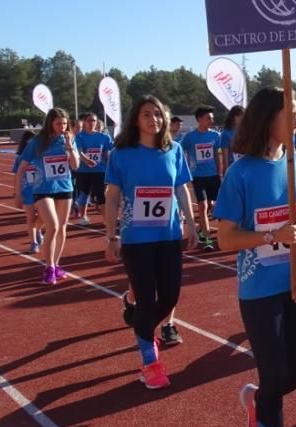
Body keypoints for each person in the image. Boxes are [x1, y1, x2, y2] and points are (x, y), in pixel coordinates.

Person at [214, 86, 296, 427]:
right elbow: (225, 238)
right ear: (268, 119)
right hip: (259, 290)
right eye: (290, 113)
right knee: (275, 374)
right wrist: (269, 235)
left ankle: (257, 401)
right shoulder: (241, 173)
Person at [103, 95, 197, 389]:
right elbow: (112, 197)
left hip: (168, 235)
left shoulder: (174, 150)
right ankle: (149, 361)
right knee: (147, 298)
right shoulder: (121, 154)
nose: (153, 119)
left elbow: (181, 188)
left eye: (158, 114)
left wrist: (191, 223)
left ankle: (137, 317)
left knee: (169, 297)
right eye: (147, 114)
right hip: (136, 238)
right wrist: (111, 235)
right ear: (136, 119)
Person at [15, 107, 80, 285]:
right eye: (58, 123)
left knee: (62, 228)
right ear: (50, 123)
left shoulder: (68, 140)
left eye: (65, 123)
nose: (62, 126)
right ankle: (49, 267)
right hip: (42, 188)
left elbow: (75, 166)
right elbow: (21, 169)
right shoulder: (37, 142)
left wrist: (69, 147)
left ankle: (56, 264)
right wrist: (18, 193)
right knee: (52, 226)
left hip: (64, 187)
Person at [180, 105, 222, 250]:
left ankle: (202, 229)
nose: (211, 120)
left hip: (213, 176)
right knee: (202, 206)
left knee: (214, 206)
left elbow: (216, 154)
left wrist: (219, 172)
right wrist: (186, 171)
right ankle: (207, 240)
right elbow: (181, 152)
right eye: (208, 118)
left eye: (212, 118)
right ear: (199, 120)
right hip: (198, 177)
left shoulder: (215, 135)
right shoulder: (190, 137)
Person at [74, 112, 114, 226]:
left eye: (94, 121)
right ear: (85, 122)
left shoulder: (104, 137)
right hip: (83, 171)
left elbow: (113, 147)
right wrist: (87, 160)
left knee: (100, 194)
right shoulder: (79, 137)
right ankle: (83, 216)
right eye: (89, 121)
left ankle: (107, 219)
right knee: (84, 194)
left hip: (100, 170)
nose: (92, 123)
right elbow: (79, 151)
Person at [12, 130, 44, 253]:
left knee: (43, 217)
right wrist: (17, 193)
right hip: (27, 191)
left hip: (41, 190)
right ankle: (33, 242)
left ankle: (38, 229)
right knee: (31, 217)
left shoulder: (41, 155)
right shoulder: (20, 159)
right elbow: (17, 176)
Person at [219, 105, 246, 175]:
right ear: (232, 117)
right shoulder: (226, 133)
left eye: (243, 115)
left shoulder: (248, 131)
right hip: (234, 169)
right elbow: (225, 157)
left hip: (246, 168)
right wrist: (226, 172)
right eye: (239, 116)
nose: (242, 118)